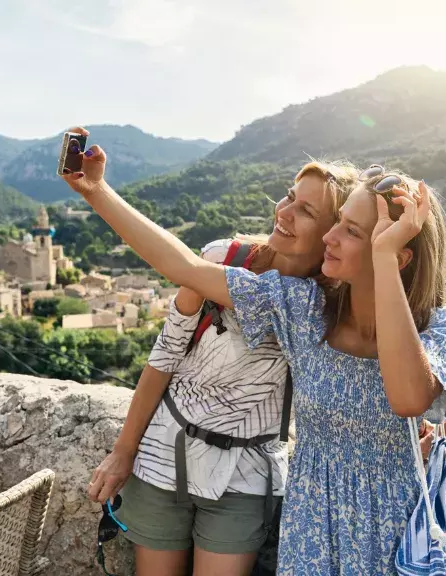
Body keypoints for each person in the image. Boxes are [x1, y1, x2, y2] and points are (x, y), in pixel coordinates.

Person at [61, 127, 446, 575]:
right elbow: (185, 267)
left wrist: (385, 258)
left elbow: (408, 398)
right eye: (336, 223)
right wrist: (97, 191)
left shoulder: (438, 327)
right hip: (312, 522)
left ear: (398, 256)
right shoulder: (304, 309)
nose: (331, 237)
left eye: (350, 231)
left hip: (394, 524)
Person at [85, 159, 360, 576]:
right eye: (290, 196)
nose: (284, 211)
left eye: (306, 211)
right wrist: (124, 452)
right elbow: (165, 355)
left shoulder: (325, 307)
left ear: (333, 233)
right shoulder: (224, 259)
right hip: (165, 453)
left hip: (246, 473)